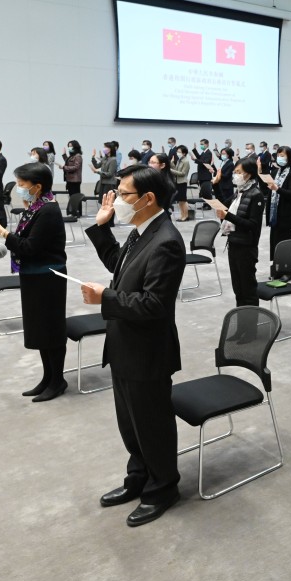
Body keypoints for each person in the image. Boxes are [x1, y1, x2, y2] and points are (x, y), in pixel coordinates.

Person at [82, 166, 186, 527]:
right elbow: (119, 267)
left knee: (151, 424)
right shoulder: (141, 232)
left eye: (123, 195)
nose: (117, 200)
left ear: (148, 199)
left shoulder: (167, 241)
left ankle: (163, 487)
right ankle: (138, 478)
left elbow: (155, 304)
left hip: (147, 350)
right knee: (130, 423)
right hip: (125, 344)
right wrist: (101, 227)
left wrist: (105, 298)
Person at [0, 163, 68, 402]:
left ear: (37, 186)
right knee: (40, 329)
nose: (18, 189)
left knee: (51, 330)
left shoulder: (48, 210)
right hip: (34, 275)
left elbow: (29, 247)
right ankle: (47, 377)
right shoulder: (36, 206)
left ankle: (57, 380)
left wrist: (2, 232)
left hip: (48, 277)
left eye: (22, 185)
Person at [215, 159, 265, 307]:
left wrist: (228, 216)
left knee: (247, 288)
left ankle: (251, 320)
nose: (235, 175)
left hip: (247, 247)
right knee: (237, 287)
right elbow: (223, 205)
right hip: (234, 243)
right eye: (234, 172)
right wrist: (216, 185)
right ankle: (242, 317)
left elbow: (252, 225)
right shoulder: (239, 193)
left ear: (248, 175)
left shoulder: (256, 195)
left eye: (238, 172)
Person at [261, 146, 291, 276]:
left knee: (286, 245)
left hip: (286, 216)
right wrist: (260, 172)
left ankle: (287, 271)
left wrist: (277, 188)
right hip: (275, 216)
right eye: (279, 155)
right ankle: (277, 269)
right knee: (275, 243)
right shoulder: (276, 172)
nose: (280, 158)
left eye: (283, 155)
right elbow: (268, 189)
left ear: (289, 157)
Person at [59, 140, 84, 215]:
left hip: (75, 180)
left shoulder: (78, 156)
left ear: (75, 147)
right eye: (68, 146)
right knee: (71, 196)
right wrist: (64, 154)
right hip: (70, 179)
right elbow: (68, 162)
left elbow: (75, 167)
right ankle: (73, 211)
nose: (69, 148)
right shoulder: (72, 156)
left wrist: (64, 167)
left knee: (75, 197)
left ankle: (77, 212)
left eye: (71, 146)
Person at [171, 144, 191, 221]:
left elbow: (182, 173)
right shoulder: (180, 160)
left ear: (184, 153)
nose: (177, 153)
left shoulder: (186, 161)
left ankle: (185, 216)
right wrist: (172, 163)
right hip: (177, 182)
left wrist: (171, 171)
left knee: (183, 200)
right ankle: (182, 215)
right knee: (180, 201)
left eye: (179, 152)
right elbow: (176, 169)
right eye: (177, 151)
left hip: (182, 182)